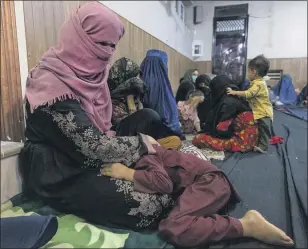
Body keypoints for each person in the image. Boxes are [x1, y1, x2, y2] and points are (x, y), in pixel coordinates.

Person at [19, 2, 178, 232]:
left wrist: (136, 144)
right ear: (79, 37)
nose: (108, 52)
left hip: (94, 149)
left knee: (148, 116)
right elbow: (92, 146)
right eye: (101, 43)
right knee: (150, 203)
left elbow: (106, 126)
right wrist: (142, 144)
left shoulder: (95, 76)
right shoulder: (51, 84)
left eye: (112, 45)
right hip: (62, 168)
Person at [101, 144, 294, 248]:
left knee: (173, 227)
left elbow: (163, 182)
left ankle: (246, 226)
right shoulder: (155, 150)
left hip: (210, 183)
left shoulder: (146, 156)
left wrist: (128, 173)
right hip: (210, 185)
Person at [108, 57, 182, 149]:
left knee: (175, 140)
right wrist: (129, 100)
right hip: (125, 142)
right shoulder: (110, 101)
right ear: (122, 77)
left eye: (137, 76)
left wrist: (138, 102)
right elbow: (126, 128)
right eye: (132, 77)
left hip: (146, 139)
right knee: (148, 115)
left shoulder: (137, 96)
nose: (136, 80)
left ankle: (152, 149)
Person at [193, 75, 259, 152]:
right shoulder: (236, 96)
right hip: (253, 138)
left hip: (241, 141)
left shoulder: (227, 103)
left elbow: (223, 131)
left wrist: (210, 133)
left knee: (199, 139)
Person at [227, 55, 273, 153]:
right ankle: (260, 143)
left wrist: (235, 92)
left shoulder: (258, 84)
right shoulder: (257, 82)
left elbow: (249, 93)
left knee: (264, 130)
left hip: (264, 113)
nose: (247, 74)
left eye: (248, 71)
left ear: (254, 71)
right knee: (260, 129)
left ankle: (263, 147)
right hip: (259, 111)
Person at [140, 49, 183, 138]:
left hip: (142, 135)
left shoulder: (139, 81)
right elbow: (169, 119)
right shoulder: (164, 86)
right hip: (159, 135)